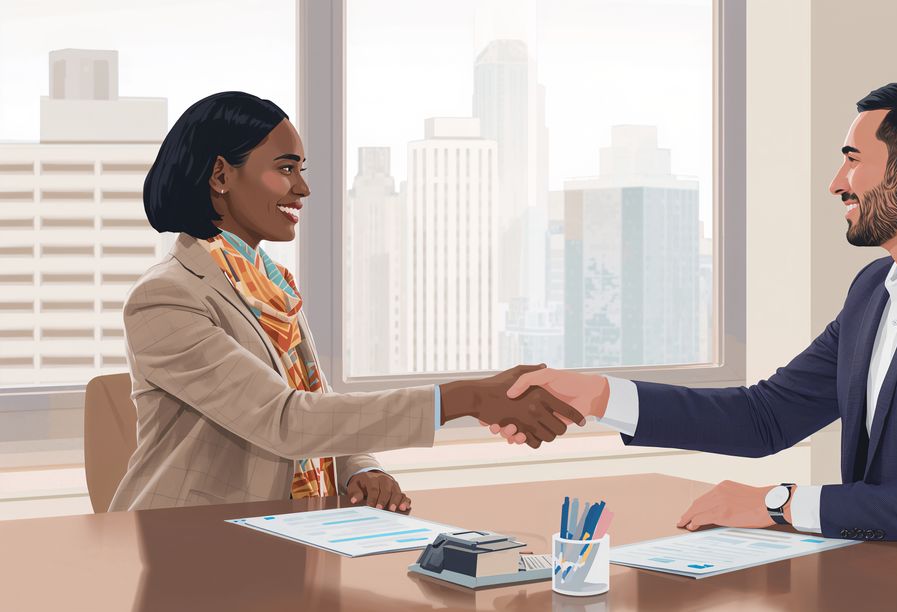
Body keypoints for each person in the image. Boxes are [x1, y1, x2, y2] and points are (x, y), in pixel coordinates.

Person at [496, 81, 897, 552]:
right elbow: (764, 416)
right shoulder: (873, 290)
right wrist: (596, 395)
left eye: (853, 161)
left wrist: (779, 504)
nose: (837, 183)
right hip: (886, 566)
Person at [110, 91, 582, 512]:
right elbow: (286, 419)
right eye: (286, 168)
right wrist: (468, 398)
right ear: (220, 176)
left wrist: (359, 470)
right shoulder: (166, 297)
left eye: (301, 170)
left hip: (292, 529)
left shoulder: (267, 286)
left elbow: (317, 403)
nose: (303, 188)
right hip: (189, 541)